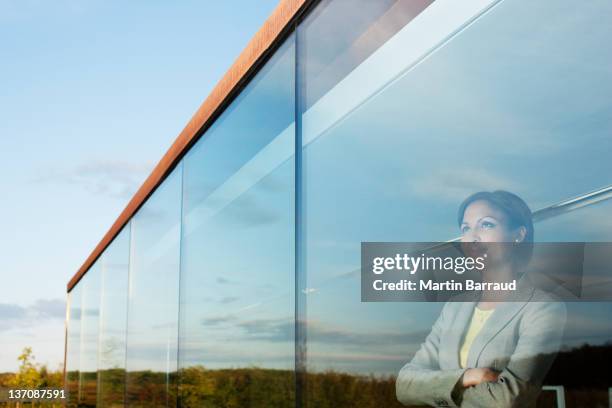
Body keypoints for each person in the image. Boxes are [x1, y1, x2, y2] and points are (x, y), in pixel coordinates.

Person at [396, 191, 566, 408]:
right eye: (466, 228)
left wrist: (434, 389)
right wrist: (466, 377)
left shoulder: (542, 308)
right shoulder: (455, 307)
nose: (472, 237)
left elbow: (508, 399)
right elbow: (404, 385)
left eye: (486, 225)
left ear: (519, 234)